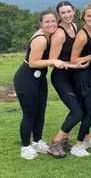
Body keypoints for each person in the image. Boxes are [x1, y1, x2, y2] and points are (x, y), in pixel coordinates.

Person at [13, 11, 66, 160]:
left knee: (40, 112)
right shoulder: (41, 39)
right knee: (29, 114)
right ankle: (25, 147)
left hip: (39, 79)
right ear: (40, 24)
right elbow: (33, 62)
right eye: (47, 22)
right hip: (26, 79)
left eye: (53, 21)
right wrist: (53, 61)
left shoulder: (50, 36)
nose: (51, 24)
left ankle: (37, 142)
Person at [48, 1, 89, 158]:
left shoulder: (74, 28)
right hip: (61, 78)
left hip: (72, 76)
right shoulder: (59, 33)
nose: (67, 15)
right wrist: (75, 67)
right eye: (63, 13)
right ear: (59, 15)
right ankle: (55, 143)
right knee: (77, 112)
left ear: (74, 11)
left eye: (69, 11)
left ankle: (64, 140)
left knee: (77, 109)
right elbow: (53, 61)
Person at [69, 3, 91, 157]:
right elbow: (73, 60)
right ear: (83, 17)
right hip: (83, 76)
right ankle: (77, 145)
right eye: (88, 16)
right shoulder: (82, 36)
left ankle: (87, 139)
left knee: (88, 108)